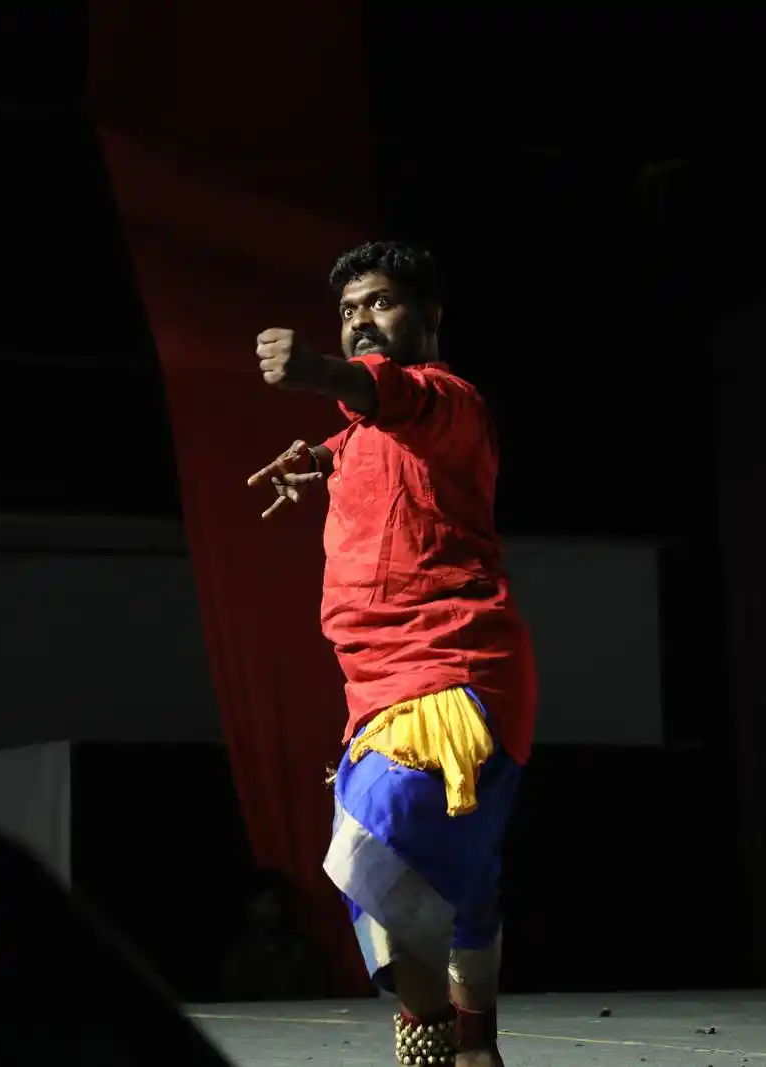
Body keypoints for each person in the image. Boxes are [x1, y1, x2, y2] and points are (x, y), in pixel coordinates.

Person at [246, 242, 537, 1067]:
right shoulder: (359, 433)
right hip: (379, 688)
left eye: (379, 302)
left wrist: (314, 371)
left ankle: (432, 1041)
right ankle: (474, 1045)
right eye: (346, 312)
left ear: (431, 315)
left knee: (377, 847)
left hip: (450, 678)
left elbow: (388, 394)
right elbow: (366, 431)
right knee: (459, 876)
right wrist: (320, 458)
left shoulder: (448, 400)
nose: (360, 321)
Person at [219, 870, 328, 1002]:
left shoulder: (302, 950)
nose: (278, 910)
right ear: (252, 906)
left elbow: (318, 996)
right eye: (270, 903)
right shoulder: (240, 957)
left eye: (281, 903)